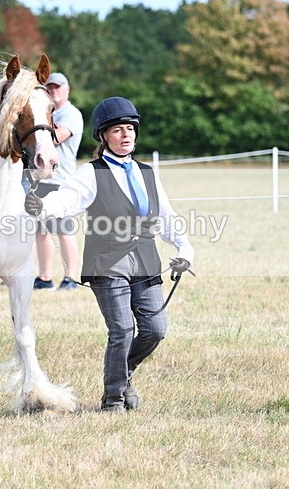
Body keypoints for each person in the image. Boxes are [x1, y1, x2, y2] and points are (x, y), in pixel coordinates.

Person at [24, 97, 194, 412]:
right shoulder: (92, 173)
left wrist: (185, 248)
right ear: (103, 136)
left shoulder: (147, 173)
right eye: (117, 130)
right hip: (108, 260)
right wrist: (44, 206)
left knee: (156, 329)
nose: (126, 135)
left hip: (144, 257)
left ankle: (123, 374)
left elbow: (165, 215)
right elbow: (67, 200)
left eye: (130, 128)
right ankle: (113, 398)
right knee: (122, 330)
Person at [30, 72, 84, 291]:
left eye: (58, 87)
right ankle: (44, 278)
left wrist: (35, 130)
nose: (54, 90)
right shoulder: (43, 113)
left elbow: (55, 137)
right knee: (41, 230)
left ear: (67, 89)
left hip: (62, 180)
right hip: (40, 179)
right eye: (50, 87)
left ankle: (71, 278)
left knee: (63, 230)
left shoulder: (71, 114)